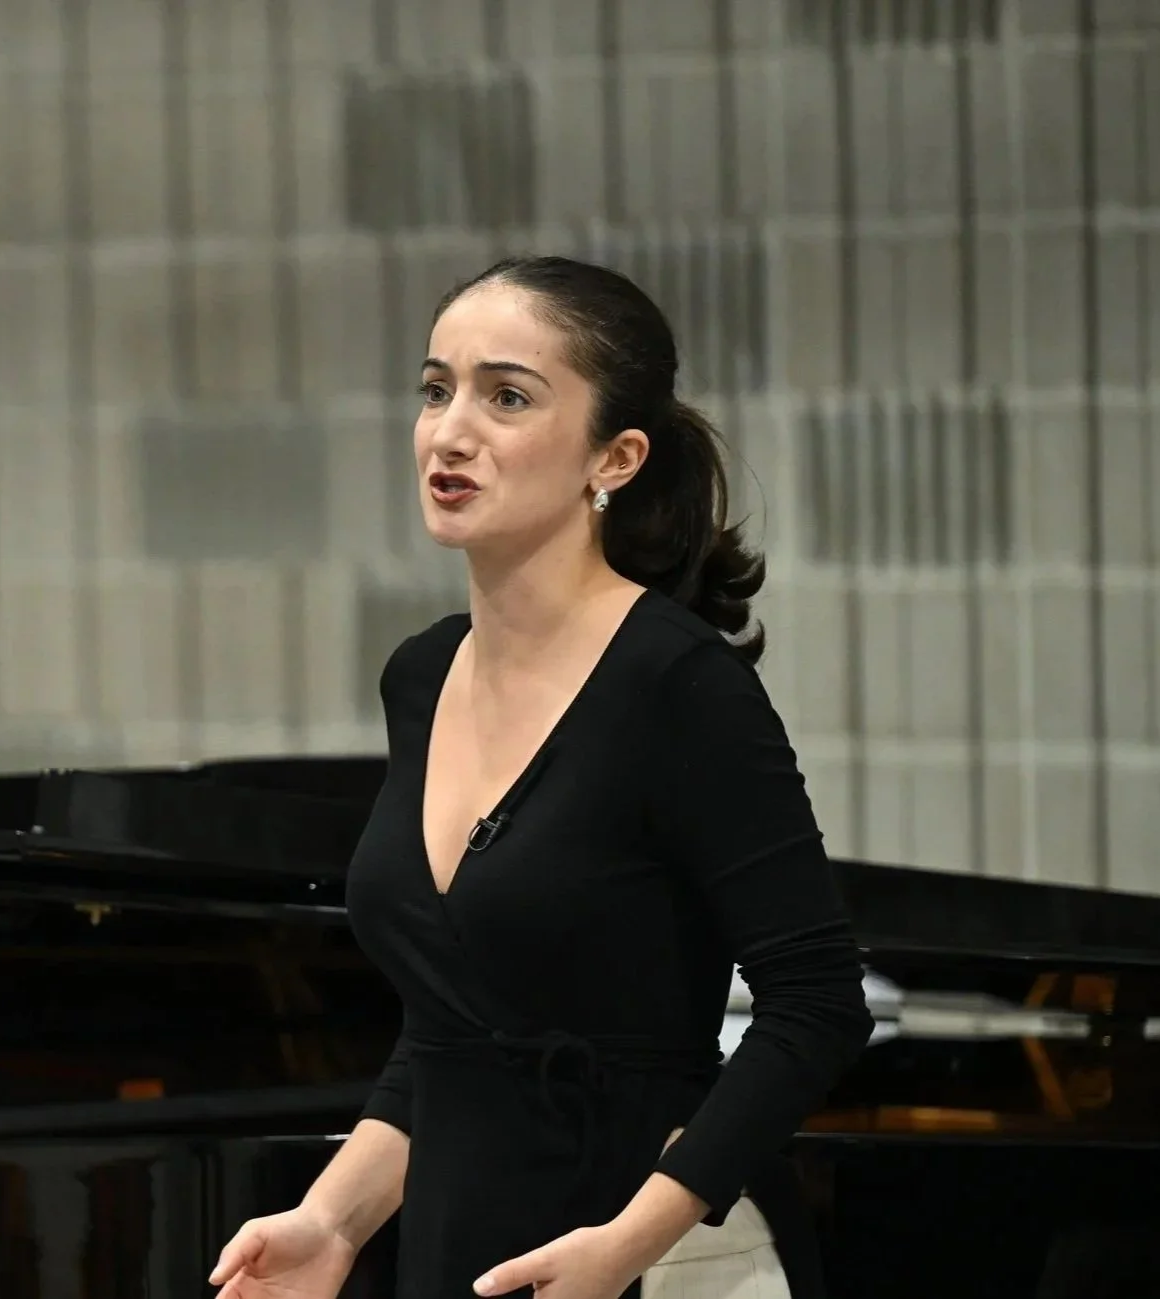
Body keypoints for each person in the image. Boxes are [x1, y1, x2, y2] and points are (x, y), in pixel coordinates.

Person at [208, 257, 873, 1299]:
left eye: (506, 397)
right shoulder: (421, 674)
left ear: (614, 457)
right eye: (436, 390)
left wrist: (624, 1244)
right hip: (460, 1244)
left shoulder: (676, 683)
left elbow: (817, 1006)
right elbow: (454, 1028)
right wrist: (331, 1220)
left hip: (651, 1260)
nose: (449, 432)